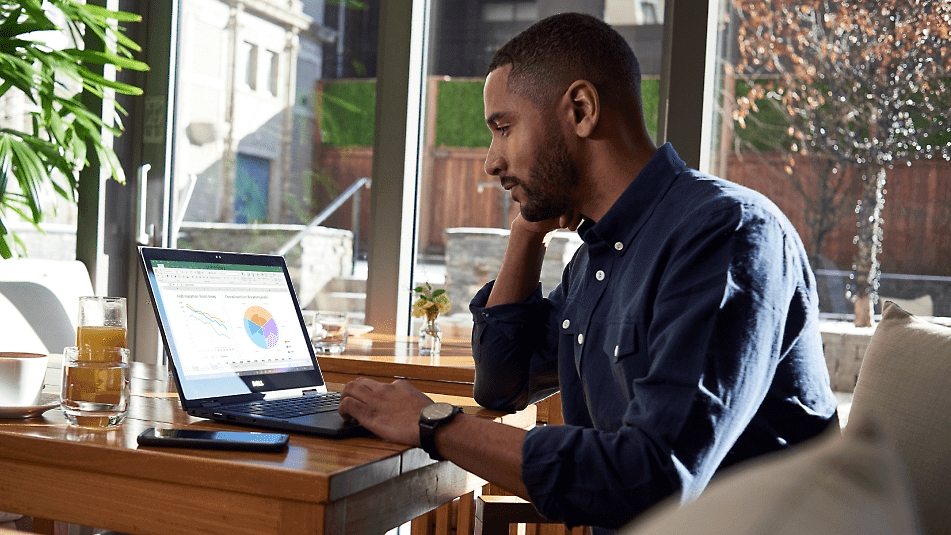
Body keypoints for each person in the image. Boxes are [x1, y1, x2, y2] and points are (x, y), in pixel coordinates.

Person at [339, 12, 839, 533]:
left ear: (581, 109)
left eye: (504, 128)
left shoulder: (725, 234)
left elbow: (653, 478)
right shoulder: (598, 257)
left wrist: (432, 423)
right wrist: (526, 234)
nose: (491, 162)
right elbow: (501, 384)